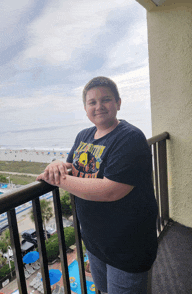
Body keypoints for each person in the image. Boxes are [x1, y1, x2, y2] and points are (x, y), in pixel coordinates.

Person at [36, 76, 158, 294]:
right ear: (85, 108)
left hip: (127, 247)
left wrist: (57, 179)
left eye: (106, 99)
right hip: (95, 244)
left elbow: (111, 190)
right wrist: (56, 164)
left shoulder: (130, 138)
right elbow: (71, 165)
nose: (99, 106)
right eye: (92, 102)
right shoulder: (84, 135)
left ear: (118, 103)